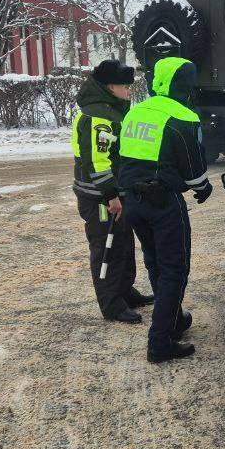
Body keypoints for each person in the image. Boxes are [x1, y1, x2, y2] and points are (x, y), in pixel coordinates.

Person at [118, 56, 214, 364]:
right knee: (175, 270)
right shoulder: (182, 116)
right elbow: (193, 169)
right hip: (163, 202)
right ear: (185, 85)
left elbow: (122, 158)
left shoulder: (136, 112)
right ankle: (160, 342)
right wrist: (202, 189)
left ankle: (172, 320)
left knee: (156, 264)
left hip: (133, 201)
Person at [71, 59, 153, 324]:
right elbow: (97, 160)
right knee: (107, 249)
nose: (129, 90)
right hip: (100, 198)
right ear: (110, 86)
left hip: (115, 194)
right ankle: (112, 304)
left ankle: (124, 292)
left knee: (124, 245)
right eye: (124, 86)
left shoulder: (110, 109)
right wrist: (110, 196)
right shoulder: (97, 115)